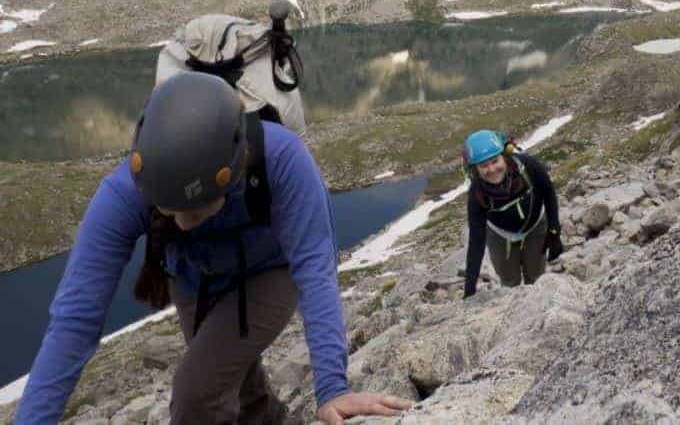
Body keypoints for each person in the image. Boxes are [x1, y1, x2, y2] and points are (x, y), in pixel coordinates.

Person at [16, 72, 412, 424]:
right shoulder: (123, 194)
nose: (183, 223)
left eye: (196, 209)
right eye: (169, 211)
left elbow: (314, 270)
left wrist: (332, 389)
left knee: (196, 393)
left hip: (270, 273)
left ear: (235, 168)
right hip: (192, 280)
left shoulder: (284, 159)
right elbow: (74, 321)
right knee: (232, 378)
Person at [461, 129, 563, 299]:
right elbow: (476, 242)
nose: (492, 169)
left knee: (536, 276)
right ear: (475, 169)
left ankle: (536, 307)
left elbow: (548, 193)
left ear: (505, 156)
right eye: (484, 166)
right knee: (509, 282)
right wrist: (469, 288)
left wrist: (554, 231)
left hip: (535, 227)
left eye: (495, 161)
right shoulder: (476, 195)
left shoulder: (528, 166)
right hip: (500, 235)